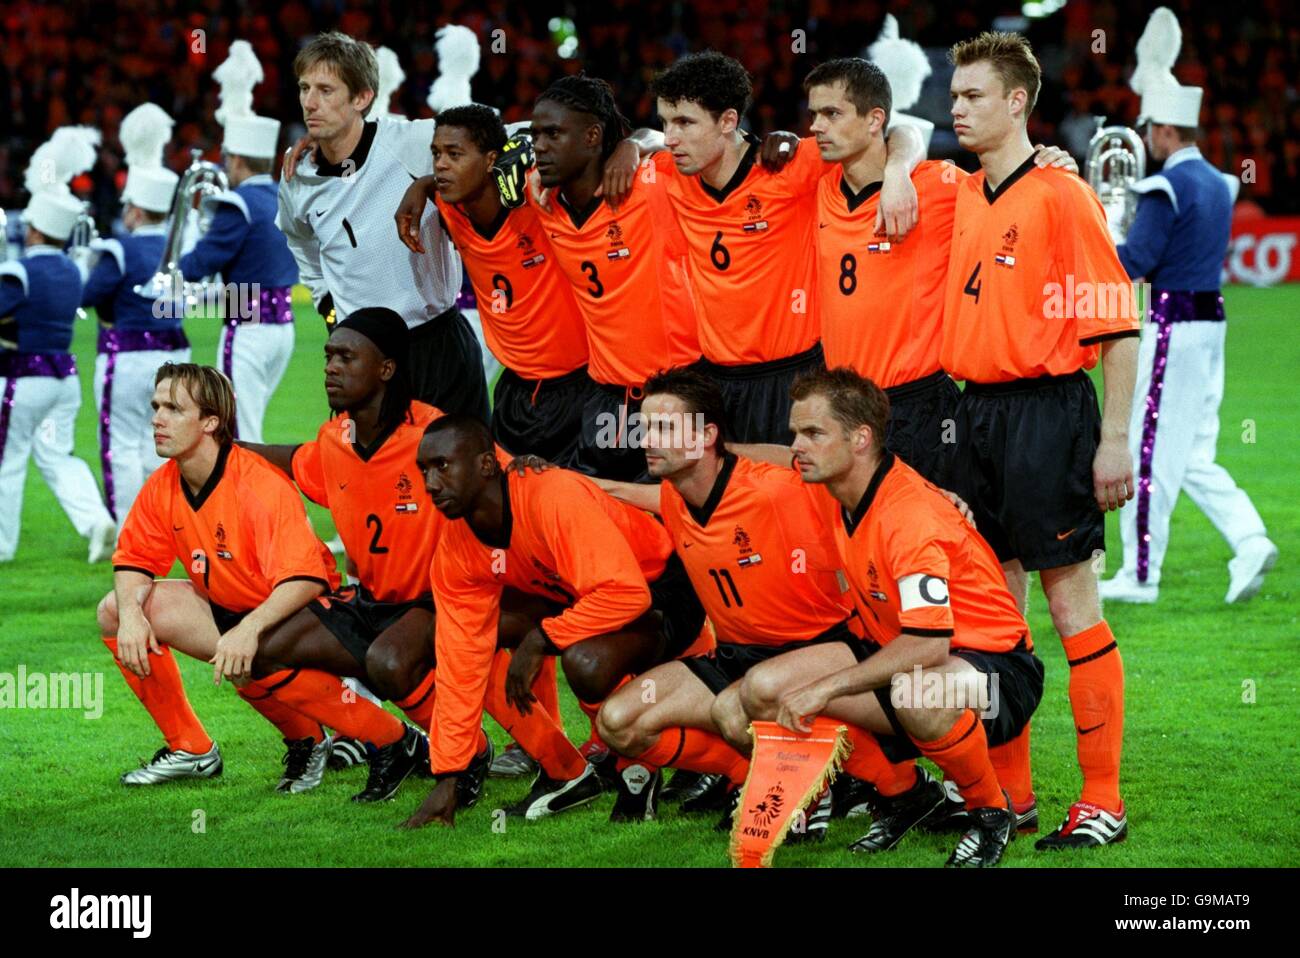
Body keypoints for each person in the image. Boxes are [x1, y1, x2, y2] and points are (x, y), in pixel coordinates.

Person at [240, 308, 585, 809]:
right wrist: (226, 446)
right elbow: (293, 461)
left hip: (444, 596)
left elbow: (508, 482)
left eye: (347, 357)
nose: (331, 368)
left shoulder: (433, 436)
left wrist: (542, 486)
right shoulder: (333, 439)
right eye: (328, 356)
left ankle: (554, 766)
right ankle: (401, 744)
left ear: (386, 369)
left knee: (399, 660)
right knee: (262, 651)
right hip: (375, 602)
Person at [943, 32, 1138, 849]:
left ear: (1018, 102)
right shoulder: (961, 191)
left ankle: (1103, 800)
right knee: (992, 618)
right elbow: (893, 142)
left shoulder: (1063, 197)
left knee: (1071, 607)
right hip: (974, 416)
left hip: (1049, 415)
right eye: (953, 95)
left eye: (974, 96)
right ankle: (1012, 796)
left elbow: (1119, 325)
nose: (957, 107)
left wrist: (1116, 439)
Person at [97, 363, 425, 800]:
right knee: (115, 611)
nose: (157, 418)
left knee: (252, 653)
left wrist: (247, 631)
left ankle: (394, 739)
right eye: (156, 406)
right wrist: (134, 617)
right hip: (239, 609)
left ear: (211, 422)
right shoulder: (164, 485)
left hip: (315, 612)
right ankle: (193, 748)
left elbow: (304, 579)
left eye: (174, 408)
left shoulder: (256, 484)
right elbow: (134, 559)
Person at [763, 368, 1044, 867]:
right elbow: (761, 464)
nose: (796, 447)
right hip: (908, 654)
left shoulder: (908, 516)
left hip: (996, 673)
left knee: (914, 691)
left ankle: (991, 812)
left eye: (812, 433)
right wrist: (707, 452)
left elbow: (928, 647)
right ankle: (907, 795)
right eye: (794, 433)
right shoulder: (838, 483)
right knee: (762, 689)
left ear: (861, 439)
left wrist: (827, 688)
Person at [593, 368, 872, 838]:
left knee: (732, 707)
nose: (648, 440)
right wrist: (563, 481)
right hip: (737, 656)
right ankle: (758, 777)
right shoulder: (674, 494)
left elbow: (856, 480)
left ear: (706, 436)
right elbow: (635, 495)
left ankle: (874, 786)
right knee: (618, 723)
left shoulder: (777, 490)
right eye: (646, 428)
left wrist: (939, 497)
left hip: (813, 652)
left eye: (665, 428)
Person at [401, 415, 707, 829]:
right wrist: (449, 773)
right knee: (470, 640)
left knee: (585, 662)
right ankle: (580, 768)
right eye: (424, 471)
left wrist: (542, 639)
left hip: (663, 586)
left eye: (443, 466)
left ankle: (667, 766)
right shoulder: (457, 546)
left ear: (487, 465)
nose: (431, 484)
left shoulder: (550, 496)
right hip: (587, 596)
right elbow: (459, 656)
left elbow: (626, 593)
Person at [634, 51, 925, 443]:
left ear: (728, 121)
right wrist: (630, 146)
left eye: (685, 122)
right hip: (715, 379)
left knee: (799, 496)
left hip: (793, 378)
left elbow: (904, 129)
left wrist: (896, 171)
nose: (671, 137)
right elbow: (641, 140)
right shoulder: (670, 173)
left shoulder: (788, 165)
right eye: (666, 122)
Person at [1100, 7, 1277, 605]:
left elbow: (1134, 262)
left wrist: (1103, 227)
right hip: (1212, 324)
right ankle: (1250, 539)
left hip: (1173, 326)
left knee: (1148, 451)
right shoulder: (1221, 184)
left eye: (1152, 130)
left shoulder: (1164, 186)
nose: (1147, 139)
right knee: (1196, 450)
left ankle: (1140, 575)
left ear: (1167, 133)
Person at [278, 31, 488, 420]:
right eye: (305, 88)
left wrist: (635, 142)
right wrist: (328, 307)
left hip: (436, 344)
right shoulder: (297, 177)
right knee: (359, 477)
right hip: (361, 356)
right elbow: (300, 243)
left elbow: (505, 138)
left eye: (326, 90)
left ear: (362, 98)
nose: (310, 102)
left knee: (458, 476)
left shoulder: (416, 142)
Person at [396, 105, 598, 466]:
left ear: (492, 160)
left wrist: (630, 148)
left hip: (578, 388)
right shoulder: (449, 206)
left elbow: (579, 135)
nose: (440, 164)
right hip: (514, 393)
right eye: (436, 154)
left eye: (454, 154)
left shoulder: (539, 196)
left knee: (578, 507)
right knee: (512, 512)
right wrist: (421, 184)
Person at [525, 75, 702, 481]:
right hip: (607, 398)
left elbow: (692, 144)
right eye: (536, 134)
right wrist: (423, 187)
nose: (540, 145)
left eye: (553, 134)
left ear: (592, 135)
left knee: (683, 520)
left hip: (676, 391)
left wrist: (637, 142)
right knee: (607, 514)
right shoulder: (543, 198)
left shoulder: (650, 184)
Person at [0, 142, 116, 563]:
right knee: (56, 455)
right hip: (63, 380)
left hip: (22, 378)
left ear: (33, 231)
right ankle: (95, 521)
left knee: (8, 460)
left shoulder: (19, 272)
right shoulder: (72, 270)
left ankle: (2, 544)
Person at [179, 40, 299, 443]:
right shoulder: (281, 196)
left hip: (247, 327)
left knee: (237, 435)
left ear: (237, 160)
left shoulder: (238, 203)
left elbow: (201, 264)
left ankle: (262, 508)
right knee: (248, 428)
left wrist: (179, 257)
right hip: (283, 327)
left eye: (228, 158)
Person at [82, 103, 191, 523]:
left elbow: (89, 294)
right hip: (174, 358)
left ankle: (129, 524)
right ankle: (164, 521)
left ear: (136, 209)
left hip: (124, 356)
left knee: (120, 442)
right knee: (159, 440)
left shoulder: (120, 249)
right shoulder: (181, 248)